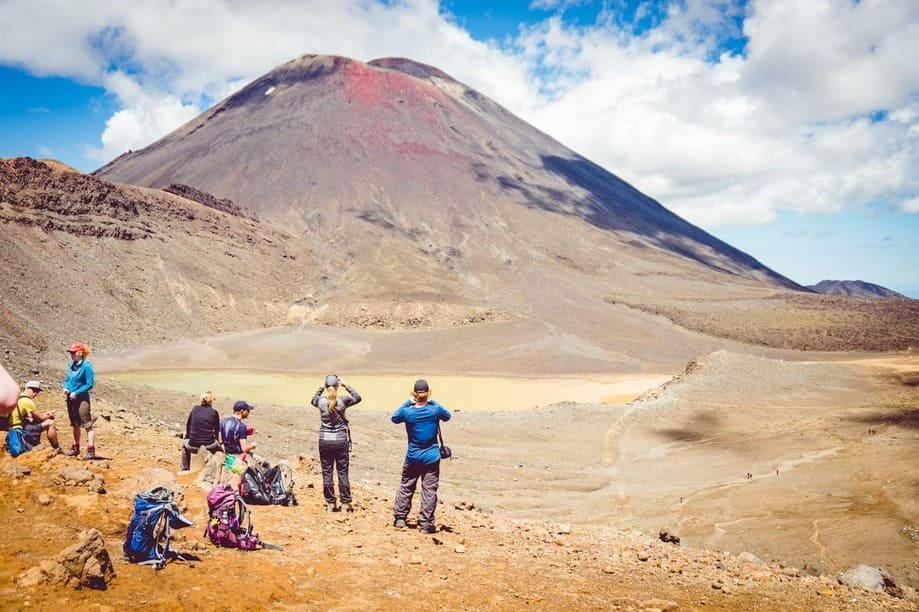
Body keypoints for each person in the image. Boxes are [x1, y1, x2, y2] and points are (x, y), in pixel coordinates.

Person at [391, 379, 451, 534]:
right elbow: (447, 415)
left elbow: (394, 417)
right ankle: (425, 525)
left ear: (414, 394)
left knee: (406, 486)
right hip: (431, 458)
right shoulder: (434, 410)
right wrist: (431, 400)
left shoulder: (408, 412)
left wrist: (408, 402)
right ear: (428, 393)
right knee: (429, 491)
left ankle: (400, 519)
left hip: (413, 457)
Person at [311, 374, 362, 512]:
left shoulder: (321, 402)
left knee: (327, 472)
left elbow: (313, 400)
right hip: (340, 441)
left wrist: (320, 388)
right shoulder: (343, 401)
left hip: (325, 441)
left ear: (326, 387)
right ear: (338, 386)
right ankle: (345, 503)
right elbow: (358, 398)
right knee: (342, 472)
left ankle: (330, 503)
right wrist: (347, 385)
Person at [62, 343, 97, 460]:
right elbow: (67, 379)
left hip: (82, 399)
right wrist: (66, 387)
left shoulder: (87, 366)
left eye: (74, 352)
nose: (71, 355)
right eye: (70, 353)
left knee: (87, 425)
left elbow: (89, 384)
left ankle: (91, 450)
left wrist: (77, 392)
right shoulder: (70, 365)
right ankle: (75, 447)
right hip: (71, 399)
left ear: (81, 352)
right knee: (75, 424)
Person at [9, 381, 61, 453]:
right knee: (50, 423)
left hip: (12, 427)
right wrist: (50, 415)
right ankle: (57, 448)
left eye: (37, 391)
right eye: (33, 390)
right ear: (26, 388)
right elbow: (41, 417)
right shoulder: (27, 401)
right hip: (20, 429)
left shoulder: (16, 398)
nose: (35, 393)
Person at [180, 390, 222, 474]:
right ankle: (215, 469)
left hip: (193, 445)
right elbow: (216, 429)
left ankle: (185, 468)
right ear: (211, 401)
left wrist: (188, 437)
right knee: (219, 450)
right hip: (208, 445)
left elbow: (188, 425)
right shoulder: (214, 412)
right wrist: (217, 441)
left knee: (184, 446)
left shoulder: (195, 409)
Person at [219, 400, 256, 478]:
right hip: (237, 456)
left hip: (227, 455)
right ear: (242, 411)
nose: (249, 412)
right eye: (248, 410)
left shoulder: (223, 422)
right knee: (263, 464)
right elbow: (244, 449)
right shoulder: (241, 426)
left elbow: (220, 441)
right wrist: (252, 446)